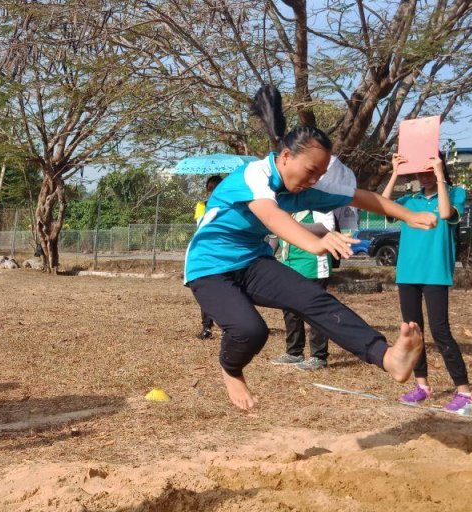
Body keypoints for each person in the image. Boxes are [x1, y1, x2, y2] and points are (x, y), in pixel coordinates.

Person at [185, 85, 436, 411]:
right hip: (209, 267)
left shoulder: (301, 187)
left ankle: (387, 357)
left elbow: (359, 196)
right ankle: (231, 369)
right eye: (310, 171)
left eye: (319, 174)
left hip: (251, 261)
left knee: (314, 299)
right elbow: (271, 215)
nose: (314, 180)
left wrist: (409, 216)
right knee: (251, 330)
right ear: (286, 157)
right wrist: (316, 242)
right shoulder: (254, 174)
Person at [381, 152, 472, 411]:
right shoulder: (409, 200)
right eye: (419, 171)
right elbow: (382, 206)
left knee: (440, 330)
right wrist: (395, 173)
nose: (423, 176)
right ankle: (421, 385)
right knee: (413, 331)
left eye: (428, 170)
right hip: (407, 273)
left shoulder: (455, 194)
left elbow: (445, 213)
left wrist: (440, 174)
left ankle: (464, 391)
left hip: (435, 273)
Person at [270, 208, 336, 371]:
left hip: (313, 266)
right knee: (290, 310)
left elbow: (327, 228)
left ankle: (318, 356)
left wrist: (292, 225)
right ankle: (294, 352)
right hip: (289, 266)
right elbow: (275, 236)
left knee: (315, 311)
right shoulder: (285, 206)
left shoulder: (318, 203)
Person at [194, 175, 222, 339]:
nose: (212, 192)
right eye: (211, 189)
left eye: (215, 188)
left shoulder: (229, 204)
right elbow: (201, 226)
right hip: (207, 252)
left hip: (222, 251)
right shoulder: (202, 205)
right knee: (207, 290)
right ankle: (207, 327)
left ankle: (226, 326)